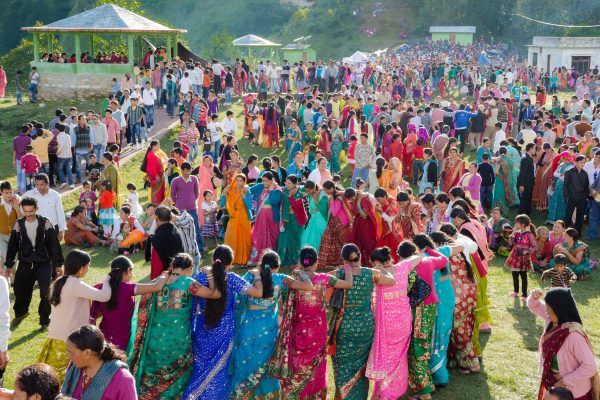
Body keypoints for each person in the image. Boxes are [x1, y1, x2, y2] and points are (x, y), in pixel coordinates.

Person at [269, 246, 353, 398]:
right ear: (316, 262)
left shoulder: (293, 279)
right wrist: (347, 267)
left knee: (298, 360)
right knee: (317, 365)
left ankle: (295, 392)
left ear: (300, 262)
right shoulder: (324, 279)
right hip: (317, 331)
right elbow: (348, 284)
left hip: (297, 330)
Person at [230, 250, 314, 398]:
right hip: (268, 330)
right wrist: (302, 272)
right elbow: (308, 286)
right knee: (266, 364)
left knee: (245, 362)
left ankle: (241, 394)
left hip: (248, 328)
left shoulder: (250, 277)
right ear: (278, 266)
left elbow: (235, 296)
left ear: (260, 264)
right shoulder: (280, 279)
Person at [184, 245, 263, 400]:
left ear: (214, 260)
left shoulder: (200, 277)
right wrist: (258, 276)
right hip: (224, 333)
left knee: (200, 367)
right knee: (219, 372)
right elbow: (258, 293)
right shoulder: (232, 278)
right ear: (230, 263)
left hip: (202, 331)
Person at [329, 244, 396, 400]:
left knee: (342, 365)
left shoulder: (339, 273)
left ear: (344, 259)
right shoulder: (371, 273)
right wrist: (383, 267)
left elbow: (322, 283)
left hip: (344, 324)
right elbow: (391, 281)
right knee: (361, 365)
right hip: (365, 325)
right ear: (359, 256)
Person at [37, 250, 111, 380]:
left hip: (55, 337)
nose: (88, 269)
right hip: (69, 340)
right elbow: (104, 296)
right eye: (88, 266)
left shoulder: (60, 281)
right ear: (81, 268)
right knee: (61, 378)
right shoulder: (76, 284)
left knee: (50, 376)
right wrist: (107, 280)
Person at [367, 246, 421, 399]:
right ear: (390, 259)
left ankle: (383, 393)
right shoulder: (402, 267)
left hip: (385, 325)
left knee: (386, 357)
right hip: (403, 321)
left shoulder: (376, 275)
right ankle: (394, 391)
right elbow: (418, 257)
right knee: (399, 358)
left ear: (376, 263)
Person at [527, 288, 599, 400]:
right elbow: (534, 306)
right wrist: (534, 298)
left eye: (548, 307)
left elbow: (590, 367)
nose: (545, 310)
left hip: (574, 393)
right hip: (555, 386)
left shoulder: (573, 336)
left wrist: (565, 381)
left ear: (558, 309)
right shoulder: (552, 320)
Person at [4, 197, 63, 331]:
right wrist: (9, 265)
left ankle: (44, 320)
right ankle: (21, 313)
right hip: (25, 262)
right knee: (19, 289)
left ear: (36, 209)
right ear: (22, 210)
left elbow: (54, 244)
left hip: (44, 263)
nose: (29, 214)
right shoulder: (18, 224)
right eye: (26, 211)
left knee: (45, 292)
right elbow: (13, 246)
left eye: (31, 211)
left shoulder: (45, 222)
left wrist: (58, 264)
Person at [89, 256, 167, 350]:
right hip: (122, 337)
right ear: (128, 270)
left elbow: (97, 312)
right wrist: (165, 275)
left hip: (104, 334)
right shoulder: (128, 288)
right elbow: (157, 287)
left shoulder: (101, 287)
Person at [61, 325, 137, 399]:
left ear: (87, 353)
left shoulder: (122, 378)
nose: (68, 356)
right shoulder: (75, 367)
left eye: (71, 352)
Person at [247, 172, 282, 266]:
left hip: (272, 217)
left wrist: (271, 189)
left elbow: (275, 202)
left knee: (272, 237)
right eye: (263, 180)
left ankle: (271, 259)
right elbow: (249, 190)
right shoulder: (260, 186)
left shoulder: (277, 190)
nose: (264, 182)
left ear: (272, 180)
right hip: (261, 216)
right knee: (258, 235)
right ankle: (255, 258)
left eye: (266, 181)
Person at [317, 181, 352, 269]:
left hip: (341, 223)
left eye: (326, 190)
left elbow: (335, 212)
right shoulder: (334, 196)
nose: (325, 192)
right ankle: (322, 263)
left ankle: (348, 263)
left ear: (332, 189)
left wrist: (332, 198)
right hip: (332, 223)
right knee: (327, 239)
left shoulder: (339, 198)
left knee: (343, 242)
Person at [144, 205, 184, 279]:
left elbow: (157, 264)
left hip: (165, 279)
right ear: (171, 217)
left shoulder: (157, 239)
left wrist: (155, 280)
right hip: (179, 274)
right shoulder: (176, 231)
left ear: (156, 219)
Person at [23, 174, 66, 241]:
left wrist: (61, 230)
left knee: (53, 250)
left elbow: (60, 213)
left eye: (41, 184)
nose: (39, 187)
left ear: (47, 184)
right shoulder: (30, 194)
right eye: (37, 185)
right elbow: (18, 200)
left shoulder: (55, 195)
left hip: (53, 227)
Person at [277, 176, 308, 267]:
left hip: (296, 220)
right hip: (286, 219)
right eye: (286, 182)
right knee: (285, 239)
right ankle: (285, 260)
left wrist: (293, 194)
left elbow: (296, 207)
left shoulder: (298, 193)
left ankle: (297, 261)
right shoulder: (284, 191)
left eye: (289, 183)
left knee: (296, 241)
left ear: (295, 184)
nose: (287, 184)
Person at [223, 174, 253, 265]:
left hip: (243, 217)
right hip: (233, 217)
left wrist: (244, 196)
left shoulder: (246, 190)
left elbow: (250, 206)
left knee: (243, 238)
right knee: (231, 237)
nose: (239, 182)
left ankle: (243, 257)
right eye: (237, 180)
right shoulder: (231, 191)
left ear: (244, 182)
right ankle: (231, 257)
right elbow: (223, 204)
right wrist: (224, 193)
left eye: (241, 181)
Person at [506, 214, 537, 299]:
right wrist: (513, 232)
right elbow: (510, 243)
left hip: (524, 257)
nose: (515, 224)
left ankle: (524, 295)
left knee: (523, 276)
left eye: (517, 223)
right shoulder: (516, 233)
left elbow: (534, 246)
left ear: (523, 224)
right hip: (515, 256)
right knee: (514, 274)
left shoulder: (529, 234)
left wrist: (526, 251)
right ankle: (516, 291)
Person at [563, 155, 589, 235]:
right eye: (581, 162)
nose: (582, 164)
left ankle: (577, 234)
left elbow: (586, 187)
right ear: (576, 162)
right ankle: (565, 233)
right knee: (568, 216)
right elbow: (565, 185)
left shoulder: (585, 174)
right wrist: (566, 196)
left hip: (582, 198)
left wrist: (585, 197)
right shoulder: (569, 172)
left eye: (584, 162)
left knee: (580, 217)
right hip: (571, 197)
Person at [518, 143, 537, 215]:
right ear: (531, 149)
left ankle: (527, 212)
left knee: (528, 198)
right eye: (534, 148)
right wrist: (521, 185)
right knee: (525, 198)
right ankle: (521, 213)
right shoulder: (526, 158)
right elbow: (522, 173)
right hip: (526, 183)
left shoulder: (529, 157)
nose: (535, 150)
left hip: (530, 182)